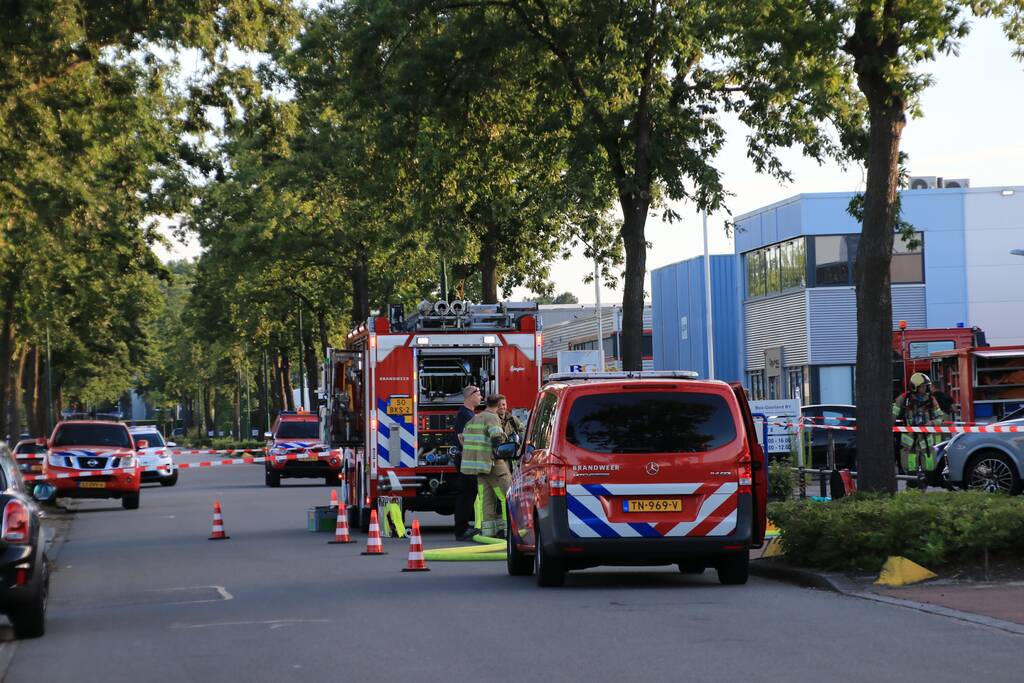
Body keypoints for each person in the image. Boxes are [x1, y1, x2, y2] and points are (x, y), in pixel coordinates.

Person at [460, 394, 510, 538]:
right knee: (508, 493)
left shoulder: (475, 418)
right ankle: (508, 530)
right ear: (498, 404)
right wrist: (502, 453)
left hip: (478, 466)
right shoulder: (492, 417)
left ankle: (488, 532)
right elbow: (496, 439)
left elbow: (463, 438)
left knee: (487, 497)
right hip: (493, 462)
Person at [892, 372, 945, 487]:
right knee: (911, 471)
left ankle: (929, 490)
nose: (925, 388)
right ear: (915, 387)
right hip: (910, 442)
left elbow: (940, 417)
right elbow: (893, 413)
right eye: (923, 386)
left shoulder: (931, 400)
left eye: (926, 386)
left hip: (926, 441)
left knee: (930, 468)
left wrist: (932, 422)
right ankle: (912, 491)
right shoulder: (904, 399)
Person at [452, 385, 481, 541]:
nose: (481, 397)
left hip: (466, 459)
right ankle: (461, 530)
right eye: (479, 394)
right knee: (466, 495)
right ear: (471, 396)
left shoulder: (467, 413)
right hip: (466, 459)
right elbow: (462, 438)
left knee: (468, 494)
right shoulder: (466, 415)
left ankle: (463, 527)